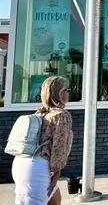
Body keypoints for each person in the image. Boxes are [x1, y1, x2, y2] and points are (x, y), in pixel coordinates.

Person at [11, 76, 73, 205]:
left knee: (56, 199)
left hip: (20, 164)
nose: (69, 93)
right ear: (60, 93)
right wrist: (56, 175)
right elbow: (59, 149)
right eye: (68, 90)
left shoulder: (40, 113)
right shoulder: (62, 115)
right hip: (37, 168)